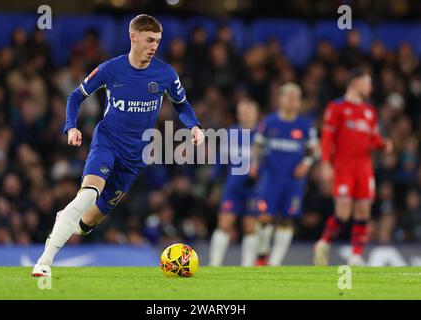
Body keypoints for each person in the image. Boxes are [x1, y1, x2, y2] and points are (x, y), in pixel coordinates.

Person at [31, 14, 204, 277]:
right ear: (133, 37)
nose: (154, 46)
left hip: (135, 156)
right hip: (107, 142)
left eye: (157, 41)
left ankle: (67, 219)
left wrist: (194, 126)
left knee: (88, 221)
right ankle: (44, 261)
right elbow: (76, 96)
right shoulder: (111, 69)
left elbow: (182, 105)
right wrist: (71, 126)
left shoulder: (166, 73)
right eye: (149, 40)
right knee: (88, 193)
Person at [313, 69, 393, 266]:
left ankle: (356, 255)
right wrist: (325, 164)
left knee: (364, 211)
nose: (371, 88)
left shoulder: (369, 111)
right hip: (343, 167)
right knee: (343, 212)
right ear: (356, 83)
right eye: (367, 83)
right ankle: (323, 243)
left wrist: (384, 145)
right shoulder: (337, 107)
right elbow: (327, 138)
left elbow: (373, 138)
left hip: (364, 167)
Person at [251, 83, 319, 266]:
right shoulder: (269, 122)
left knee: (287, 220)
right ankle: (263, 251)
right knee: (264, 216)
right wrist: (255, 163)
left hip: (293, 180)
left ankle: (275, 262)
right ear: (280, 99)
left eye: (296, 98)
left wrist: (307, 163)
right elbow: (257, 145)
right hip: (271, 177)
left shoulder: (305, 125)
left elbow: (314, 150)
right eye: (289, 97)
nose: (293, 101)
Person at [208, 98, 260, 267]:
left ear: (256, 113)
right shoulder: (230, 133)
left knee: (250, 227)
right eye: (241, 111)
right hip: (233, 186)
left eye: (247, 111)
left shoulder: (263, 134)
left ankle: (247, 268)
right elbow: (221, 162)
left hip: (255, 188)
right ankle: (214, 266)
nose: (244, 115)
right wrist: (215, 184)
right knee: (224, 224)